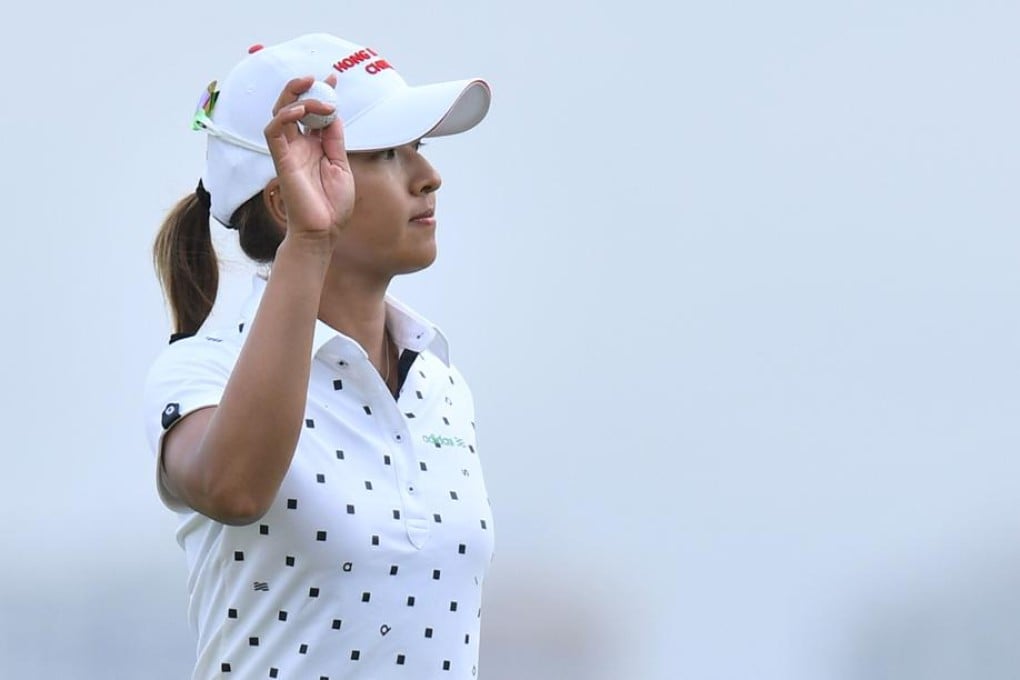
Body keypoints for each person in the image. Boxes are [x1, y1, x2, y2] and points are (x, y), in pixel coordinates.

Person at [143, 32, 495, 679]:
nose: (429, 175)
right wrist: (311, 242)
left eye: (416, 147)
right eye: (386, 153)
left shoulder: (441, 383)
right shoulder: (204, 367)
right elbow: (233, 488)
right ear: (284, 198)